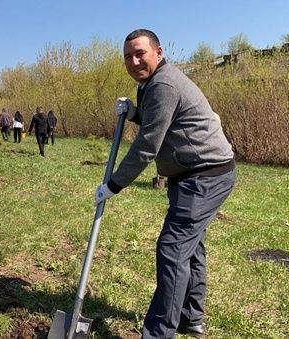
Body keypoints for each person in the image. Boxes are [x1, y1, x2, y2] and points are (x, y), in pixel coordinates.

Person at [94, 29, 235, 339]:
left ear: (158, 52)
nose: (133, 61)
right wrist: (134, 113)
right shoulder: (152, 84)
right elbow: (159, 119)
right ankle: (191, 318)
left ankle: (158, 333)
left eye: (140, 53)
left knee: (172, 249)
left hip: (205, 176)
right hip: (198, 174)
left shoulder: (164, 84)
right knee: (190, 247)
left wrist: (114, 185)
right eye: (127, 57)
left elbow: (147, 146)